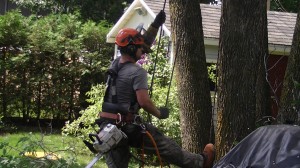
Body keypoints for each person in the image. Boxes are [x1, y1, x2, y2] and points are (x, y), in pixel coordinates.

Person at [97, 10, 215, 168]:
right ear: (132, 49)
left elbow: (142, 43)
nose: (143, 51)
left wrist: (155, 25)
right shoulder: (136, 72)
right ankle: (200, 163)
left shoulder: (115, 64)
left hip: (107, 127)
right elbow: (143, 101)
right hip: (128, 127)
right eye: (139, 48)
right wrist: (160, 113)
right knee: (164, 144)